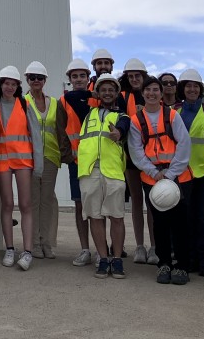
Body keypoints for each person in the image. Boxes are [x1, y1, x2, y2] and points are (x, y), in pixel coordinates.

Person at [128, 76, 193, 285]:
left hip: (177, 177)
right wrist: (154, 172)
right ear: (143, 93)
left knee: (181, 224)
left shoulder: (172, 115)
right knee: (160, 223)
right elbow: (136, 151)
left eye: (155, 89)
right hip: (152, 178)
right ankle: (164, 264)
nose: (152, 93)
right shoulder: (136, 120)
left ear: (160, 92)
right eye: (148, 90)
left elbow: (184, 144)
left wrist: (171, 173)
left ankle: (182, 266)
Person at [77, 74, 129, 279]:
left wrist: (118, 133)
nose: (107, 93)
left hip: (113, 170)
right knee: (95, 217)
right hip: (89, 171)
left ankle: (117, 259)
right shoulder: (88, 113)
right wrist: (90, 91)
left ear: (117, 93)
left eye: (111, 90)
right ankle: (103, 258)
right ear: (97, 93)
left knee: (116, 216)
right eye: (103, 90)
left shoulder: (122, 116)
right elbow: (72, 96)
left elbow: (124, 127)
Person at [0, 65, 39, 270]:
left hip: (23, 161)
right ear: (0, 84)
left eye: (13, 84)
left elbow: (35, 136)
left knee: (26, 205)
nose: (9, 87)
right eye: (6, 83)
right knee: (7, 204)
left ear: (18, 86)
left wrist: (39, 165)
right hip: (1, 161)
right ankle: (9, 248)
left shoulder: (25, 104)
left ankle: (27, 252)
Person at [177, 68, 204, 276]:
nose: (191, 89)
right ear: (182, 89)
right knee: (186, 217)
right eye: (188, 86)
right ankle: (189, 259)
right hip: (183, 172)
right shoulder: (175, 111)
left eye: (195, 86)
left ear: (200, 89)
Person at [56, 58, 94, 266]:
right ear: (69, 79)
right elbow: (60, 131)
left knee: (97, 207)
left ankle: (102, 248)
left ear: (88, 78)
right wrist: (68, 156)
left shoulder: (96, 98)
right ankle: (85, 249)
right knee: (80, 206)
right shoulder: (63, 101)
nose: (79, 79)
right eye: (75, 76)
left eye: (82, 76)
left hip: (98, 162)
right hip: (76, 162)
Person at [119, 58, 155, 265]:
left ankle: (154, 246)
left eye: (137, 76)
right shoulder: (122, 96)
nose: (134, 79)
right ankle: (140, 246)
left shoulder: (152, 94)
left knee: (152, 202)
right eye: (130, 76)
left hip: (150, 157)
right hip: (130, 156)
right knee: (136, 200)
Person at [24, 61, 60, 259]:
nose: (36, 81)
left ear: (45, 80)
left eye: (39, 78)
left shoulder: (54, 103)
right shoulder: (23, 102)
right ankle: (34, 243)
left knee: (48, 200)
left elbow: (60, 129)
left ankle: (47, 242)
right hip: (30, 157)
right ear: (27, 80)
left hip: (51, 157)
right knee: (33, 200)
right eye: (32, 78)